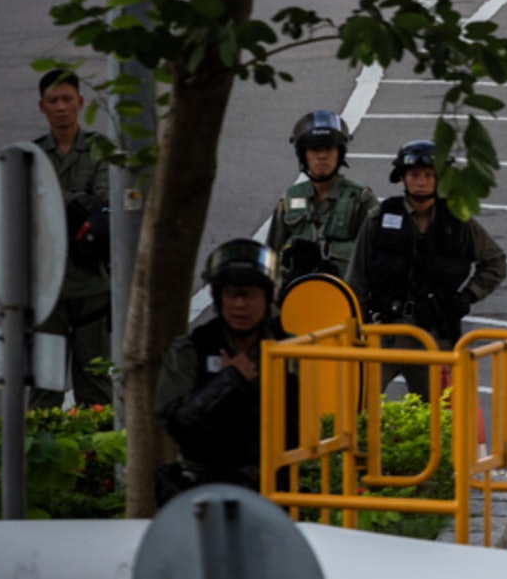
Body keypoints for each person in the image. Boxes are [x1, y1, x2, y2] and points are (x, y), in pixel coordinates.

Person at [350, 140, 507, 399]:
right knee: (357, 407)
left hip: (433, 336)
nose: (421, 181)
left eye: (429, 175)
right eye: (414, 175)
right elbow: (357, 277)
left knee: (433, 419)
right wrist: (360, 325)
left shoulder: (459, 221)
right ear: (402, 177)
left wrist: (467, 296)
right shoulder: (378, 219)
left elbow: (495, 262)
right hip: (383, 334)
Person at [154, 239, 282, 502]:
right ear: (218, 296)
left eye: (250, 294)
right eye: (231, 294)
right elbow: (178, 426)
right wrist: (229, 382)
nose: (239, 305)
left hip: (269, 490)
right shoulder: (191, 349)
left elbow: (300, 426)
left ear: (267, 297)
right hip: (201, 491)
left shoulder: (289, 349)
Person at [30, 68, 113, 409]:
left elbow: (105, 206)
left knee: (95, 381)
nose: (61, 107)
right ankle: (39, 456)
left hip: (91, 285)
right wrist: (79, 201)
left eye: (67, 99)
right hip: (45, 289)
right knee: (43, 384)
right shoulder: (30, 155)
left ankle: (97, 458)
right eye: (53, 101)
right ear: (42, 107)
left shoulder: (99, 150)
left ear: (80, 102)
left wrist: (50, 197)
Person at [268, 110, 378, 288]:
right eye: (314, 149)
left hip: (342, 297)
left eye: (328, 149)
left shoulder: (359, 197)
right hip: (295, 296)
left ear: (339, 153)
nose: (321, 156)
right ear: (304, 155)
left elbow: (376, 254)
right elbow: (271, 255)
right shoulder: (289, 198)